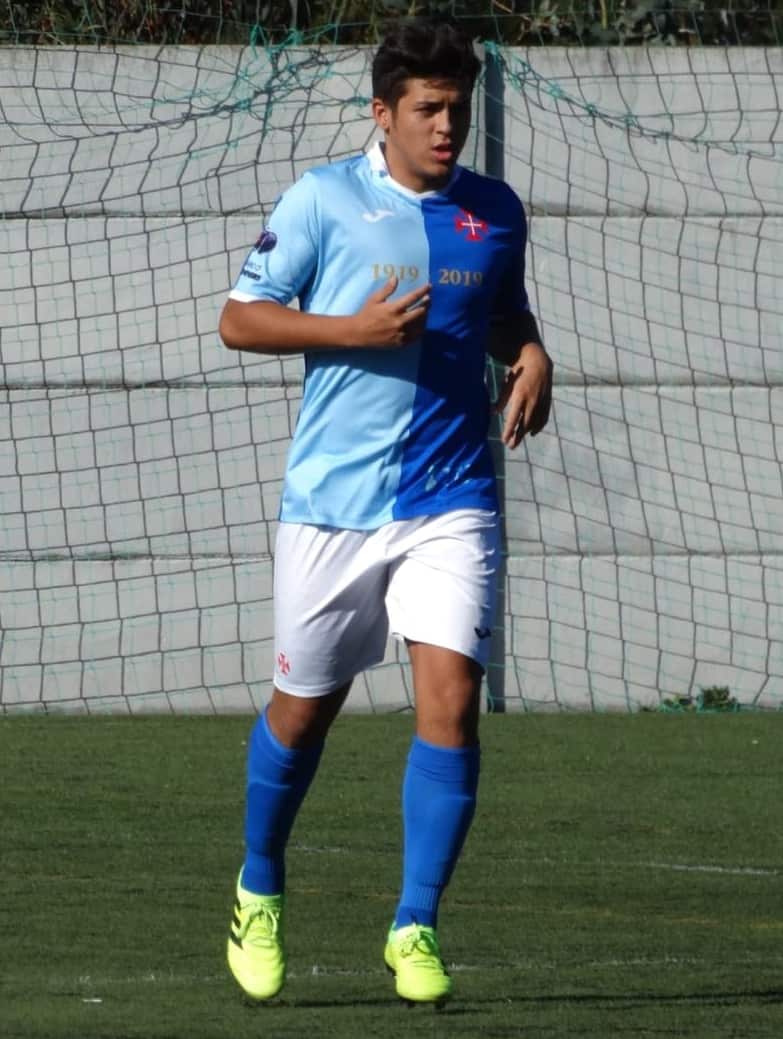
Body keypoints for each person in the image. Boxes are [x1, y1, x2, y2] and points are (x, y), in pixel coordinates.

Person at [218, 17, 552, 1006]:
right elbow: (240, 317)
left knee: (449, 702)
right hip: (335, 505)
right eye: (428, 110)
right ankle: (260, 882)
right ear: (384, 113)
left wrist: (529, 352)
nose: (447, 126)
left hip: (453, 500)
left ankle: (415, 923)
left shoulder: (495, 211)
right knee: (304, 709)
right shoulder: (323, 200)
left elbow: (500, 311)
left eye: (457, 108)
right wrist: (349, 330)